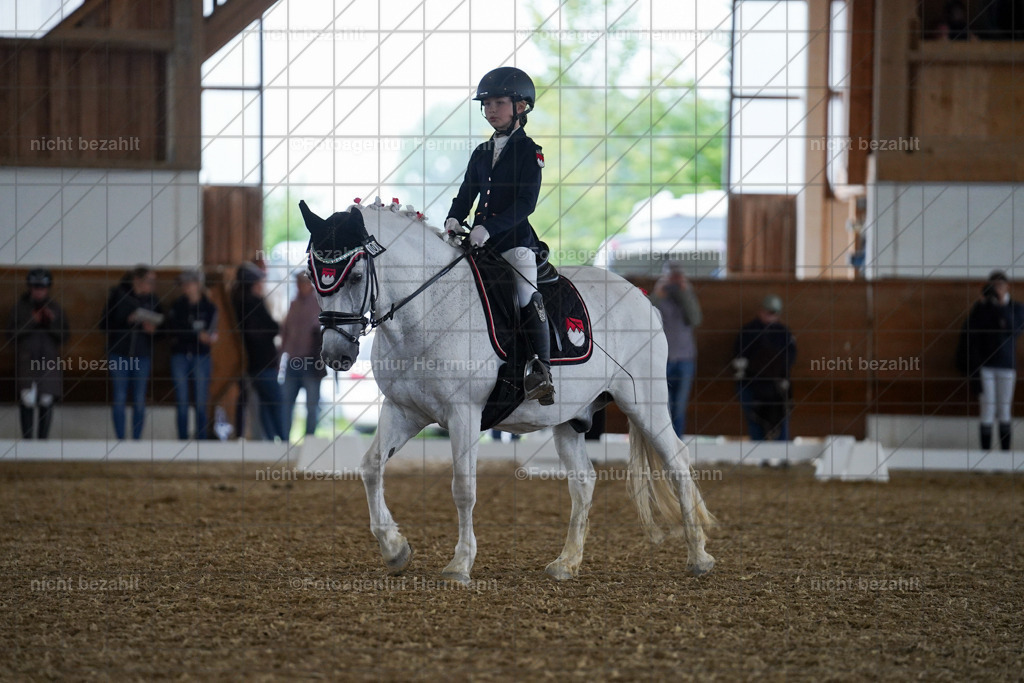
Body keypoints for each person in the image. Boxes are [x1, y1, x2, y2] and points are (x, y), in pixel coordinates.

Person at [445, 66, 554, 405]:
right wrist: (453, 217)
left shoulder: (529, 151)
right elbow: (466, 193)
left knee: (525, 289)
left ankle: (541, 369)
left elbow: (526, 204)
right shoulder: (480, 152)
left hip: (515, 243)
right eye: (486, 104)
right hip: (478, 244)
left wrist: (489, 227)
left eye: (499, 102)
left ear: (520, 106)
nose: (491, 109)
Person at [6, 268, 69, 439]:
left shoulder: (55, 308)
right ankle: (27, 441)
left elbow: (64, 336)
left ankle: (42, 442)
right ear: (30, 288)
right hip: (27, 360)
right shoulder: (20, 307)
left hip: (48, 360)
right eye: (35, 288)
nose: (39, 291)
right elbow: (11, 335)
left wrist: (49, 323)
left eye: (42, 288)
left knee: (46, 399)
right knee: (27, 398)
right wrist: (31, 321)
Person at [101, 265, 162, 440]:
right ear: (137, 280)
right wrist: (127, 321)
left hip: (142, 355)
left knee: (139, 399)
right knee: (119, 397)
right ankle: (120, 439)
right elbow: (104, 325)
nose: (152, 285)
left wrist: (153, 330)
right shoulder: (118, 296)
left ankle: (137, 441)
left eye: (154, 281)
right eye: (149, 281)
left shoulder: (153, 300)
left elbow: (163, 330)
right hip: (119, 353)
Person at [966, 270, 1024, 450]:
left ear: (1007, 287)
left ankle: (1005, 455)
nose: (997, 289)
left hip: (1007, 365)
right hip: (986, 365)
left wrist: (1001, 304)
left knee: (1004, 408)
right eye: (994, 286)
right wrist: (984, 304)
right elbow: (972, 330)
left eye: (1000, 285)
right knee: (987, 408)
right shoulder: (983, 308)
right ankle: (985, 456)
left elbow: (1015, 330)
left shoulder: (1016, 308)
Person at [232, 262, 287, 441]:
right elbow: (270, 328)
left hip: (250, 364)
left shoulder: (236, 304)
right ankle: (284, 440)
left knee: (265, 403)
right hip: (262, 363)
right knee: (276, 402)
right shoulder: (253, 303)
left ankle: (270, 441)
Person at [733, 295, 796, 441]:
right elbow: (739, 357)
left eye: (773, 313)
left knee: (781, 421)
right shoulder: (748, 332)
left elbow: (790, 358)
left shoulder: (784, 333)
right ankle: (760, 459)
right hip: (752, 385)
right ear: (761, 311)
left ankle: (782, 458)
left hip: (776, 388)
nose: (770, 315)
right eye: (768, 311)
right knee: (755, 420)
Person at [166, 269, 218, 440]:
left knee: (200, 400)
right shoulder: (177, 306)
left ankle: (201, 440)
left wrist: (206, 337)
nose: (186, 287)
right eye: (184, 284)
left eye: (189, 283)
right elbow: (174, 329)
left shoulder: (209, 307)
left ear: (198, 285)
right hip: (180, 356)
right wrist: (196, 334)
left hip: (201, 357)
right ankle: (182, 440)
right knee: (181, 400)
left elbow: (211, 332)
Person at [651, 262, 702, 437]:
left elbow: (695, 319)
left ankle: (677, 441)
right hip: (661, 359)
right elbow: (647, 317)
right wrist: (658, 294)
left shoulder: (687, 295)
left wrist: (685, 292)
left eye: (676, 277)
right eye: (670, 277)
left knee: (679, 406)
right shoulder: (659, 295)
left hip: (685, 359)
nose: (673, 281)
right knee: (662, 404)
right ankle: (662, 442)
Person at [281, 270, 325, 438]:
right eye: (298, 282)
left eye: (303, 282)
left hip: (312, 363)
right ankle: (284, 441)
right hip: (292, 361)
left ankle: (310, 440)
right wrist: (281, 357)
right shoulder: (293, 304)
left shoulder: (320, 305)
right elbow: (285, 332)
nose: (300, 286)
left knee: (312, 406)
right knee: (286, 404)